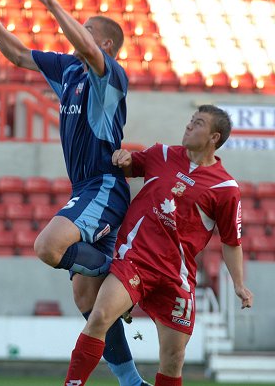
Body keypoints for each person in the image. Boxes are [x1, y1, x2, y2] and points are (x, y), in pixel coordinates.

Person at [0, 0, 152, 385]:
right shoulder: (69, 71)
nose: (76, 36)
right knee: (88, 301)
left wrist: (51, 5)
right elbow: (17, 55)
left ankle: (111, 271)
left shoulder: (110, 75)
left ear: (103, 45)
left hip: (102, 186)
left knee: (47, 247)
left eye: (85, 32)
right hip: (84, 189)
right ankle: (132, 381)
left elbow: (83, 45)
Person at [64, 104, 254, 386]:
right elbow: (130, 166)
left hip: (176, 275)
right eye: (190, 120)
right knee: (101, 316)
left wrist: (238, 283)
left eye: (198, 123)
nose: (189, 126)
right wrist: (123, 157)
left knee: (173, 358)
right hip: (135, 261)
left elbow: (231, 241)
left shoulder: (226, 189)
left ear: (214, 137)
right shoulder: (162, 154)